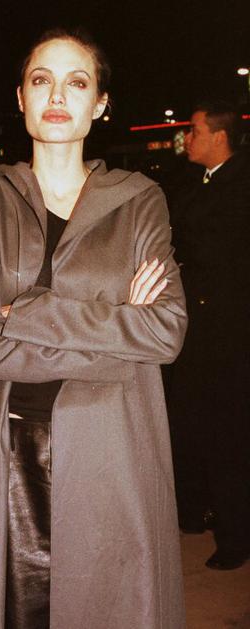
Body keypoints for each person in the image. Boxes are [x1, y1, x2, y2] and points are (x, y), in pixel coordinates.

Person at [0, 28, 187, 629]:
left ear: (100, 103)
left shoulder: (138, 200)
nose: (56, 95)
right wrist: (118, 336)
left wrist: (27, 313)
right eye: (41, 80)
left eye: (77, 82)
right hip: (11, 444)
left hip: (114, 441)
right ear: (21, 97)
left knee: (111, 608)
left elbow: (165, 331)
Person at [167, 101, 250, 570]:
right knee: (190, 419)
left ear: (220, 137)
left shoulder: (239, 185)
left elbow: (214, 250)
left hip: (228, 331)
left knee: (227, 432)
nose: (187, 138)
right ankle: (194, 508)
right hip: (198, 326)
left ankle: (237, 535)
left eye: (194, 130)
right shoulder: (200, 180)